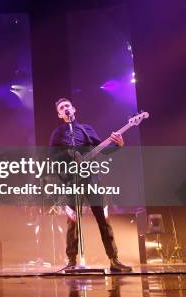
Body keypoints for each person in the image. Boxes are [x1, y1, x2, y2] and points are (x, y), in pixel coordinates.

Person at [49, 98, 132, 273]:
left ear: (74, 109)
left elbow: (104, 149)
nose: (65, 109)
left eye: (67, 106)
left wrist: (120, 144)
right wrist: (68, 162)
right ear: (59, 114)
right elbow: (52, 158)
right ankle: (72, 261)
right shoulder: (57, 133)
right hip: (71, 181)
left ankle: (114, 259)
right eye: (61, 108)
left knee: (103, 218)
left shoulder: (86, 130)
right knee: (72, 222)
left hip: (92, 179)